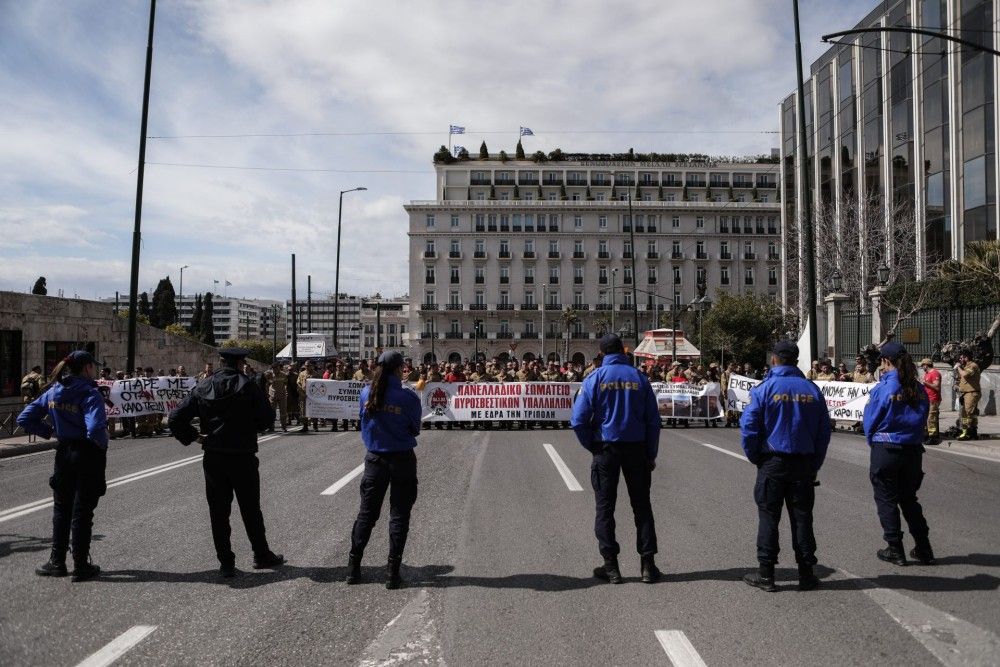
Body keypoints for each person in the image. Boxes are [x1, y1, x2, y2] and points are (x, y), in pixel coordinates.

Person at [168, 349, 285, 578]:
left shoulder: (203, 386)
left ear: (221, 362)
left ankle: (226, 563)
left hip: (214, 456)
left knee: (218, 512)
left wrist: (195, 437)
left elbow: (175, 418)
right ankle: (261, 555)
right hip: (242, 455)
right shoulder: (248, 385)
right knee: (251, 509)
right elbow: (267, 420)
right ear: (241, 363)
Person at [739, 341, 831, 592]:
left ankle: (767, 574)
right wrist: (815, 463)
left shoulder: (765, 389)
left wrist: (756, 457)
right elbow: (823, 432)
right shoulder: (812, 390)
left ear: (774, 360)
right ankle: (806, 573)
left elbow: (749, 428)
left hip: (773, 462)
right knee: (802, 519)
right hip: (803, 464)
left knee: (769, 516)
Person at [570, 334, 662, 584]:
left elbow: (578, 421)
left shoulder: (594, 379)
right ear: (623, 351)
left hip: (606, 449)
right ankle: (648, 565)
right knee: (642, 507)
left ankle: (611, 567)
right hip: (638, 449)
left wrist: (593, 447)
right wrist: (651, 454)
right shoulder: (640, 378)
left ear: (601, 353)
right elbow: (654, 422)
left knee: (605, 508)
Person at [17, 351, 108, 581]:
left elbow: (24, 418)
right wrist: (99, 446)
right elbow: (96, 427)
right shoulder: (89, 392)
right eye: (93, 367)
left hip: (63, 452)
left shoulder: (54, 390)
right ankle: (80, 566)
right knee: (82, 511)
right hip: (86, 453)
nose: (95, 371)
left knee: (61, 508)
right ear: (87, 368)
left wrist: (49, 431)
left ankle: (57, 561)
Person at [346, 351, 422, 589]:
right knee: (399, 516)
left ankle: (353, 569)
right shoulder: (408, 397)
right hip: (402, 459)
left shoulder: (367, 392)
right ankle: (392, 573)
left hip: (375, 459)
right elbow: (415, 428)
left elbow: (362, 419)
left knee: (366, 514)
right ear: (399, 369)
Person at [862, 342, 934, 566]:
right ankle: (924, 548)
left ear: (885, 361)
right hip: (912, 451)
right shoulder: (918, 388)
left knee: (886, 499)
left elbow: (870, 421)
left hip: (886, 449)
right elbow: (923, 417)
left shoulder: (884, 388)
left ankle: (895, 548)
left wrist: (874, 442)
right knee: (909, 500)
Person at [955, 352, 981, 441]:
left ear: (967, 358)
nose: (960, 360)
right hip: (966, 393)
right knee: (970, 413)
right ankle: (973, 432)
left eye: (962, 358)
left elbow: (965, 375)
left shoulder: (972, 366)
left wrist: (958, 367)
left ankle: (967, 433)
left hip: (972, 393)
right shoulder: (965, 367)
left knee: (967, 413)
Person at [918, 359, 941, 446]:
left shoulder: (935, 373)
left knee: (931, 418)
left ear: (926, 365)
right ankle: (928, 435)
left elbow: (937, 387)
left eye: (922, 365)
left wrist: (926, 383)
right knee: (927, 418)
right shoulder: (927, 374)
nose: (922, 367)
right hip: (927, 399)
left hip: (933, 399)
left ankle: (933, 437)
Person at [268, 363, 288, 432]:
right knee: (272, 412)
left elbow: (285, 383)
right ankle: (271, 427)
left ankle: (283, 427)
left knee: (283, 412)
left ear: (279, 368)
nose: (275, 370)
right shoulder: (269, 375)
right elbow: (266, 384)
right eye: (273, 368)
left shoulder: (283, 374)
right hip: (272, 395)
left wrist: (285, 391)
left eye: (276, 368)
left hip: (282, 395)